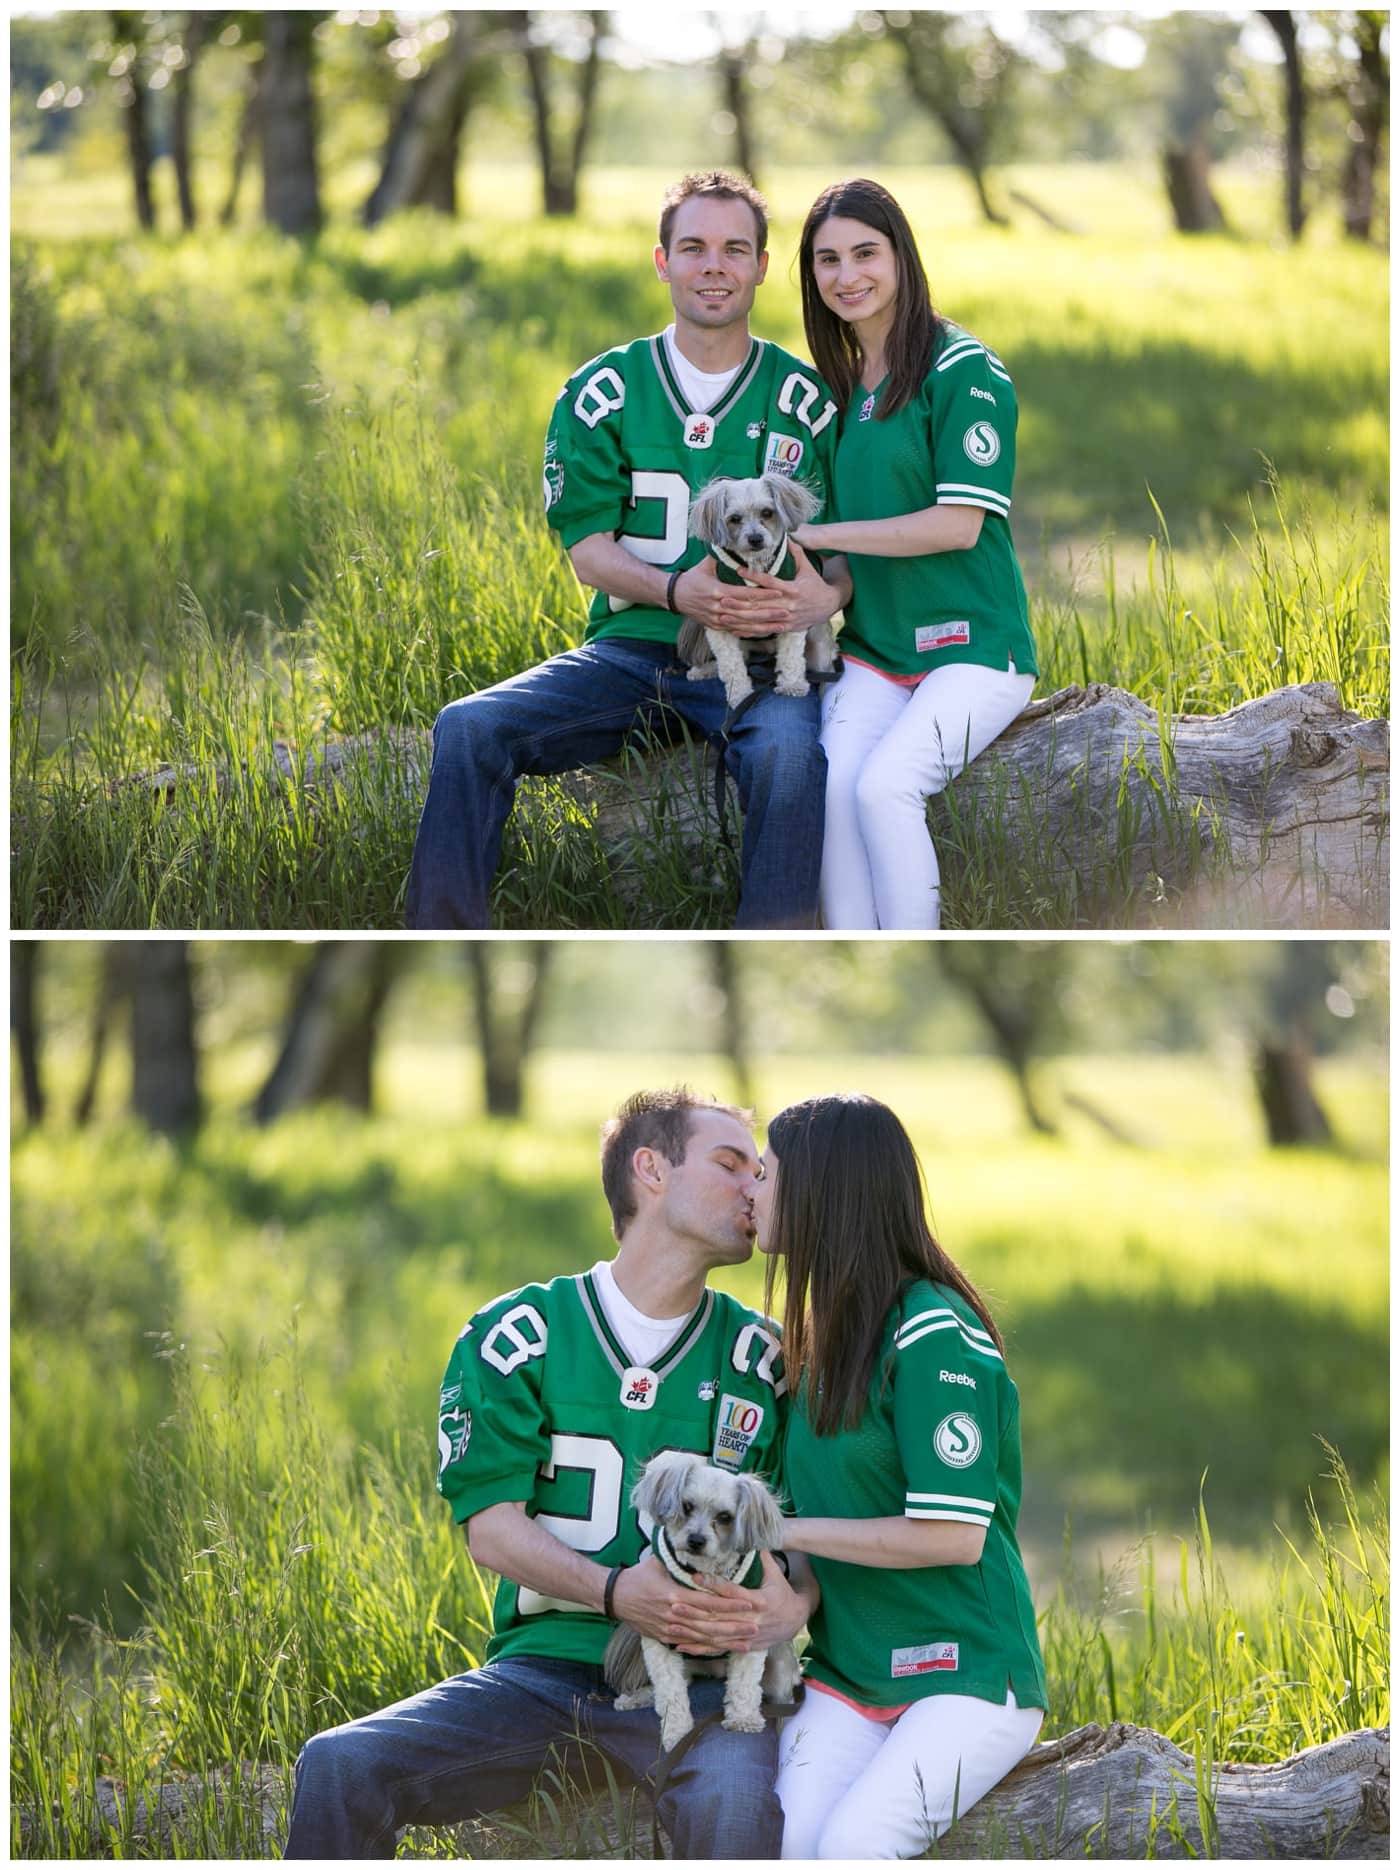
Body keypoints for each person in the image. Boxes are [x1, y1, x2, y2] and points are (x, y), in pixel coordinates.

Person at [284, 1088, 817, 1860]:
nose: (755, 1187)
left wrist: (790, 1608)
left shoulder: (765, 1360)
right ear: (651, 1171)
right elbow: (491, 1530)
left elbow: (810, 1540)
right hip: (544, 1675)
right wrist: (614, 1592)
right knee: (339, 1763)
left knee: (735, 1803)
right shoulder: (517, 1336)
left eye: (760, 1170)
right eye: (732, 1162)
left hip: (704, 1681)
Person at [405, 171, 853, 930]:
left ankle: (773, 941)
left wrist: (827, 598)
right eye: (695, 248)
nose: (714, 265)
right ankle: (438, 933)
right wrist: (681, 595)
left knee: (788, 757)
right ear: (662, 262)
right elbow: (588, 551)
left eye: (735, 249)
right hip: (632, 650)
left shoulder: (806, 399)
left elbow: (840, 556)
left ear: (762, 267)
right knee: (469, 726)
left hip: (759, 646)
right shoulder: (600, 388)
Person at [750, 1093, 1047, 1860]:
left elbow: (952, 1535)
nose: (751, 1186)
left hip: (968, 1673)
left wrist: (781, 1530)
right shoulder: (814, 1342)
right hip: (851, 1673)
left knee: (857, 1844)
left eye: (765, 1171)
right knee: (792, 1843)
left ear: (821, 1190)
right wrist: (794, 1588)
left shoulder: (932, 1328)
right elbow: (818, 1511)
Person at [789, 178, 1038, 929]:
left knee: (885, 787)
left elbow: (957, 525)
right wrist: (822, 594)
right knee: (832, 784)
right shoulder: (835, 395)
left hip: (973, 647)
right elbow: (841, 570)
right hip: (877, 650)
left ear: (902, 256)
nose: (847, 275)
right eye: (827, 260)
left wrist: (819, 536)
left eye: (866, 252)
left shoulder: (963, 368)